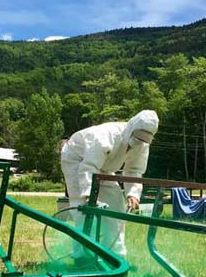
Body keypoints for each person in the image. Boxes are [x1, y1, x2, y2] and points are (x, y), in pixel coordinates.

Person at [60, 109, 159, 258]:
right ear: (132, 127)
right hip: (77, 160)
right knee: (84, 210)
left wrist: (133, 194)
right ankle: (82, 257)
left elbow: (134, 170)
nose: (139, 141)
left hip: (104, 168)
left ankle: (114, 256)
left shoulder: (143, 145)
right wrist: (88, 194)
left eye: (144, 139)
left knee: (117, 208)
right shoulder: (106, 135)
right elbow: (89, 166)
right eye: (138, 137)